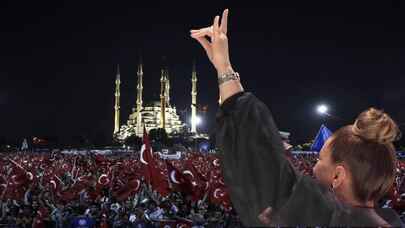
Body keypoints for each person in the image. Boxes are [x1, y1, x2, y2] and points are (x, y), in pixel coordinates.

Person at [190, 9, 403, 226]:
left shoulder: (326, 219)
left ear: (338, 176)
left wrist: (224, 67)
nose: (313, 167)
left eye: (320, 159)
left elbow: (262, 158)